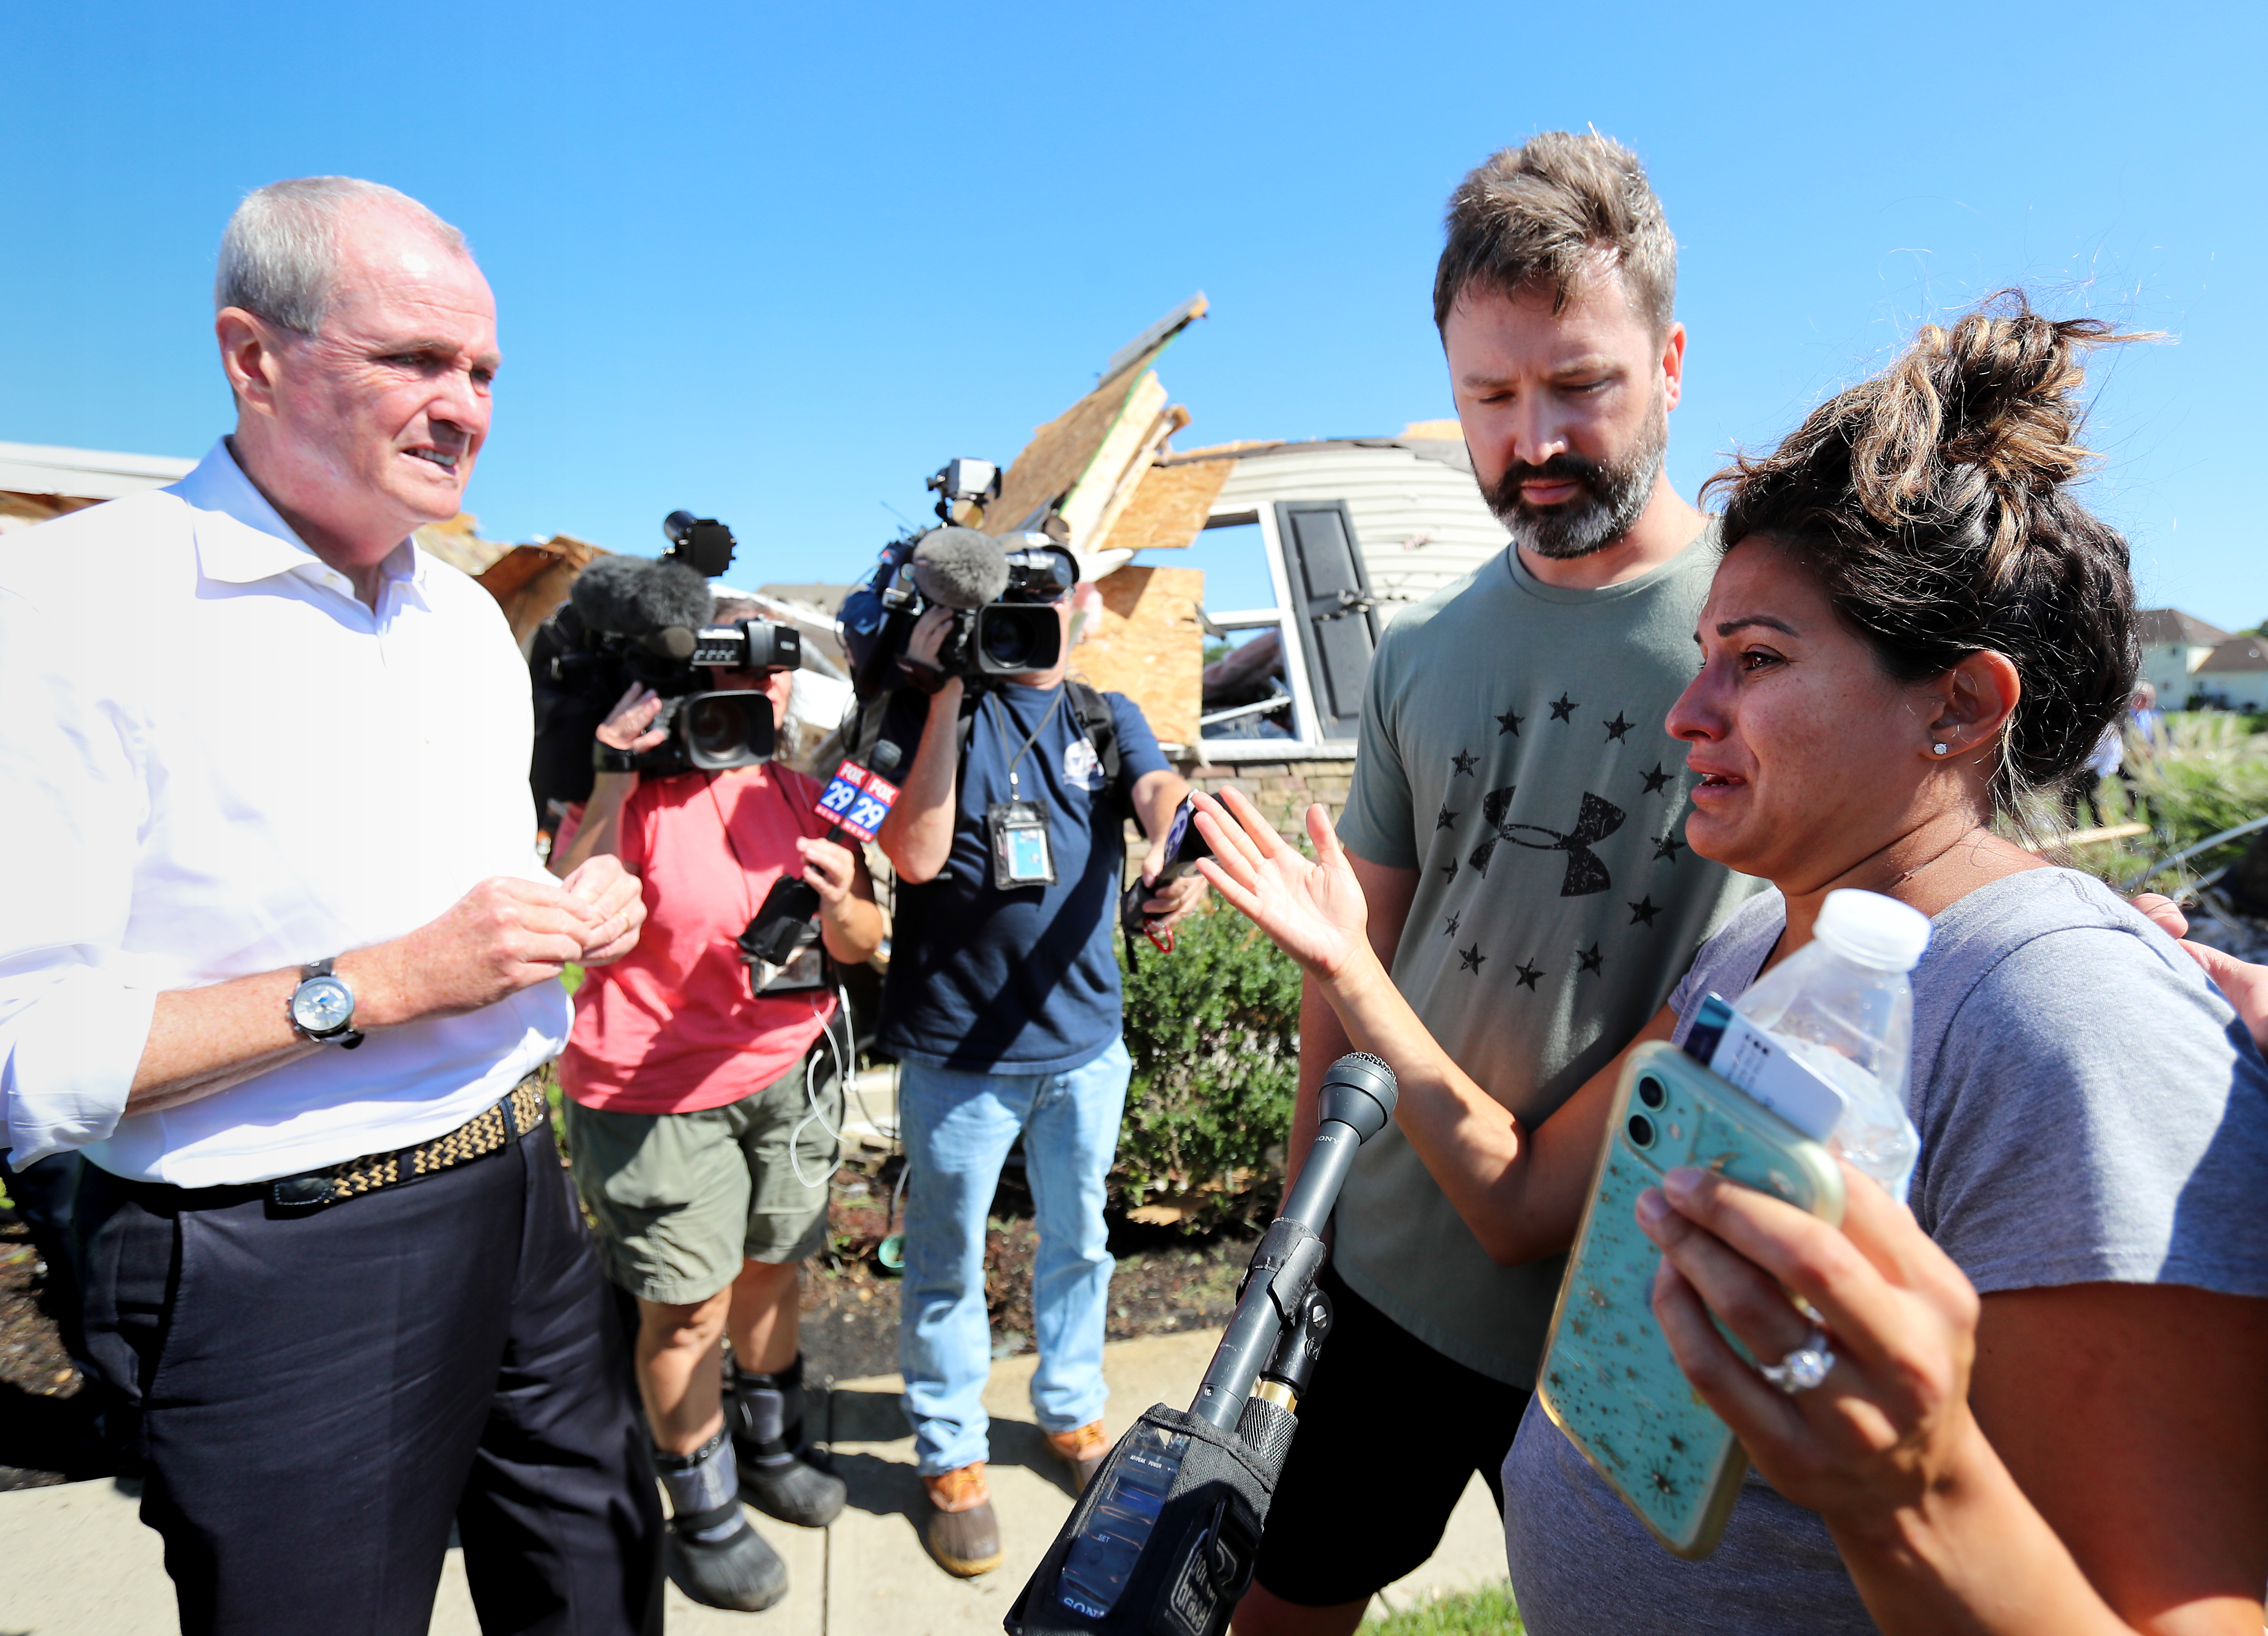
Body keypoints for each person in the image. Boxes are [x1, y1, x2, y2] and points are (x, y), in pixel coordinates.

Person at [1195, 297, 2268, 1634]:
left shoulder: (2077, 1025)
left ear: (1958, 706)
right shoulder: (1753, 955)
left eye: (1756, 661)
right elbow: (1509, 1203)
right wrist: (1347, 967)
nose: (1687, 714)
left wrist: (1913, 1491)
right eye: (1703, 657)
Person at [0, 177, 665, 1635]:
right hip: (286, 1271)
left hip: (527, 1194)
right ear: (250, 356)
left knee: (601, 1606)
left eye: (484, 371)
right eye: (414, 360)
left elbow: (465, 904)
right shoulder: (49, 609)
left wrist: (569, 904)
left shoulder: (464, 621)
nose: (464, 405)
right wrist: (382, 984)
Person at [1231, 133, 1763, 1636]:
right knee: (1280, 1608)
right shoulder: (1417, 653)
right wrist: (1295, 1235)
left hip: (1636, 1319)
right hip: (1387, 1275)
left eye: (1579, 386)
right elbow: (1356, 953)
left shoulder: (1766, 644)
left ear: (1666, 361)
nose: (1534, 441)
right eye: (1491, 398)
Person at [550, 593, 882, 1611]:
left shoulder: (808, 791)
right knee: (686, 1308)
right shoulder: (634, 796)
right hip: (657, 1097)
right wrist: (611, 772)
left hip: (789, 1072)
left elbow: (866, 943)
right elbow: (568, 913)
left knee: (773, 1270)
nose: (751, 699)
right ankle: (703, 1510)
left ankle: (770, 1443)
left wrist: (844, 904)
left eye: (768, 678)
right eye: (726, 681)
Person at [873, 569, 1205, 1577]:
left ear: (1084, 605)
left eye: (1048, 596)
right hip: (959, 1055)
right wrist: (937, 691)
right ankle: (951, 1452)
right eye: (1009, 599)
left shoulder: (1105, 714)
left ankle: (1070, 1410)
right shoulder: (932, 709)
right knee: (944, 1263)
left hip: (1084, 1047)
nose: (1031, 616)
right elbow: (917, 853)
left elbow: (1158, 790)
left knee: (1081, 1243)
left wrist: (1175, 846)